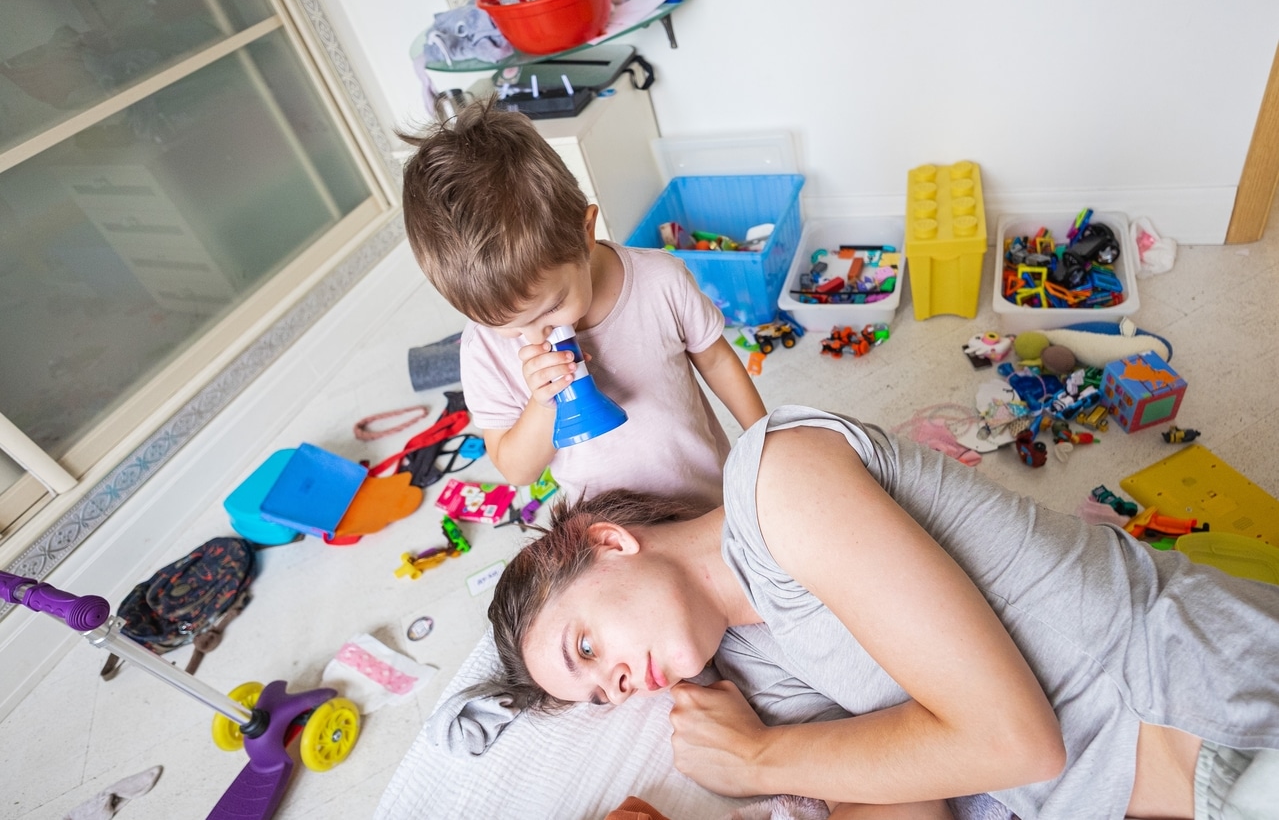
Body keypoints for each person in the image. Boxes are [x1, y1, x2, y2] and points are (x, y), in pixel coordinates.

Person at [485, 405, 1279, 820]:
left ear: (609, 541)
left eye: (584, 645)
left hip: (1208, 708)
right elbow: (906, 791)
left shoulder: (778, 483)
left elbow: (1016, 742)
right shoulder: (751, 666)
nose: (617, 682)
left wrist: (759, 760)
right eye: (598, 693)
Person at [399, 101, 766, 509]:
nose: (535, 335)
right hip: (606, 529)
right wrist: (542, 405)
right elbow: (517, 472)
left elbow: (716, 362)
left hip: (707, 499)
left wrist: (766, 441)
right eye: (510, 326)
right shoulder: (484, 350)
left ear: (585, 232)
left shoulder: (660, 281)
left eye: (552, 307)